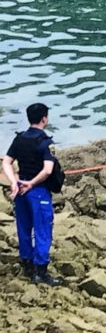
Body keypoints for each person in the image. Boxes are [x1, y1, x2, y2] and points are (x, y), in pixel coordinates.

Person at [2, 103, 60, 285]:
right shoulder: (45, 142)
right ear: (44, 118)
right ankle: (40, 271)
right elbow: (48, 170)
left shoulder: (19, 139)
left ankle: (27, 264)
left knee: (24, 227)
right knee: (43, 229)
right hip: (38, 191)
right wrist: (32, 183)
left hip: (20, 190)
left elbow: (7, 162)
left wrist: (14, 182)